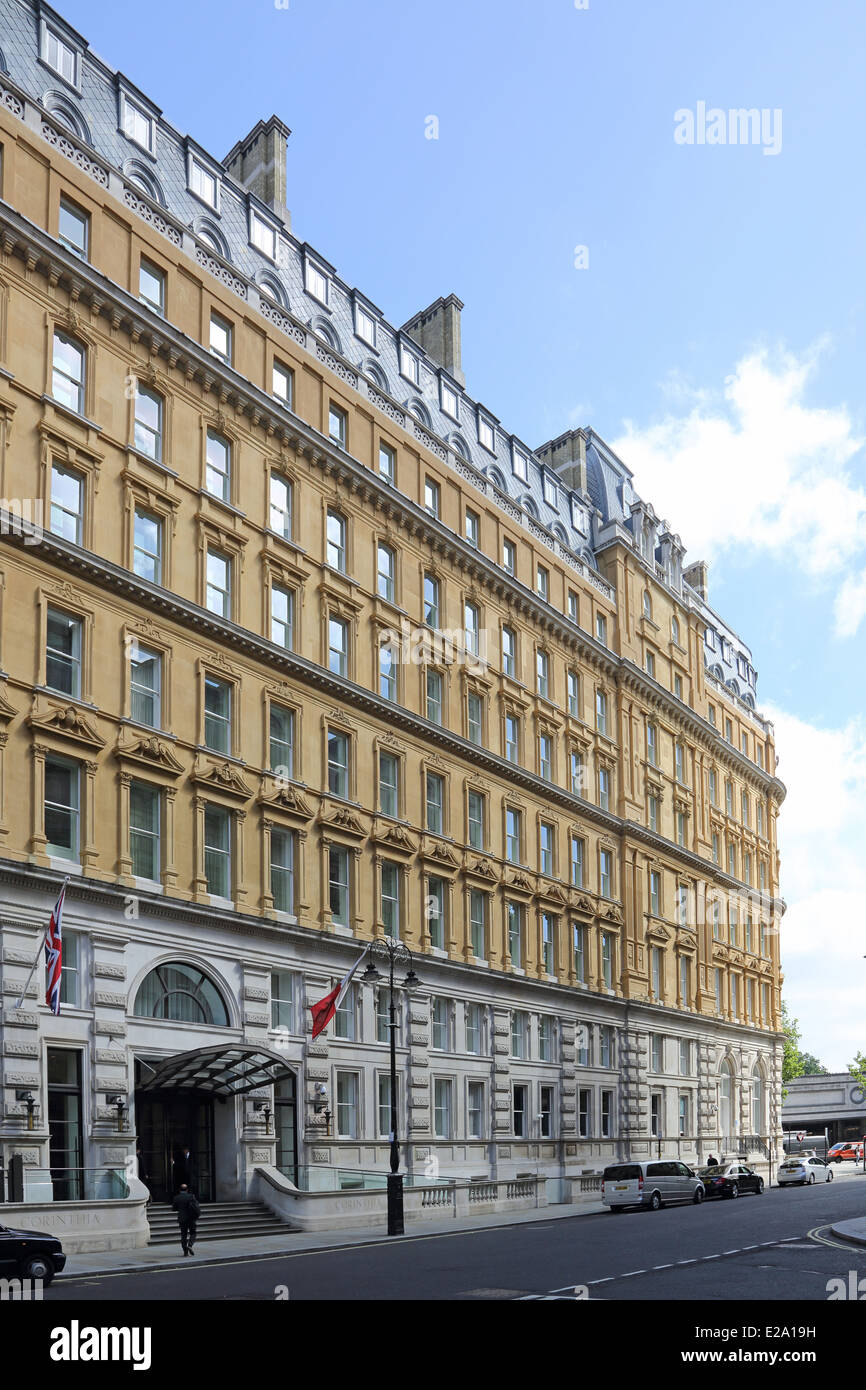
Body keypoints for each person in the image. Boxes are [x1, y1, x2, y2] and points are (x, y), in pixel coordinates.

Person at [172, 1183, 200, 1256]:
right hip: (191, 1218)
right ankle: (190, 1245)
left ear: (180, 1190)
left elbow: (174, 1208)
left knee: (183, 1235)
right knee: (193, 1233)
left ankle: (185, 1252)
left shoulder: (176, 1197)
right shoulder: (191, 1196)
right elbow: (196, 1206)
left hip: (182, 1218)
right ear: (187, 1190)